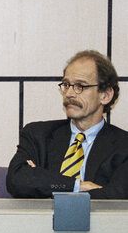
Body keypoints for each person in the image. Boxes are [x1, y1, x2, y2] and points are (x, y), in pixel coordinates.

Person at [7, 50, 128, 199]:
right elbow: (17, 180)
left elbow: (118, 195)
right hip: (41, 221)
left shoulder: (124, 146)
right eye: (66, 85)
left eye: (80, 86)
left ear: (105, 95)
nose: (69, 93)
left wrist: (42, 178)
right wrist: (78, 185)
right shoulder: (38, 135)